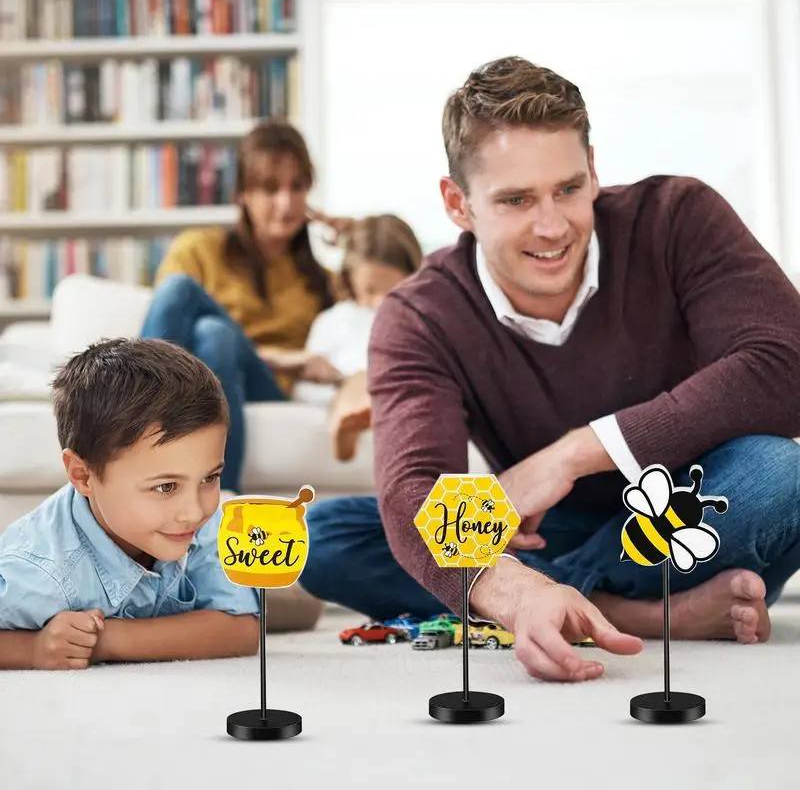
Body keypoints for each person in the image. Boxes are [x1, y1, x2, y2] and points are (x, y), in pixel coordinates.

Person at [299, 56, 800, 683]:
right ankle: (629, 609)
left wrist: (570, 455)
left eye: (568, 188)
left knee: (780, 470)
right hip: (547, 536)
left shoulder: (678, 217)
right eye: (515, 200)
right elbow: (415, 488)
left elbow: (785, 366)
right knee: (322, 534)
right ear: (458, 204)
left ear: (593, 168)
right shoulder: (420, 313)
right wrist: (510, 587)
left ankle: (588, 600)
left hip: (689, 510)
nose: (552, 226)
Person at [0, 338, 262, 670]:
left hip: (202, 573)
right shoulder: (37, 571)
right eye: (166, 486)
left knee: (282, 596)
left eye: (209, 478)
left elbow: (242, 631)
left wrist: (106, 639)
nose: (195, 511)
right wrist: (33, 648)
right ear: (83, 476)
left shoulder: (206, 519)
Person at [139, 119, 349, 496]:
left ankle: (138, 452)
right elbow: (169, 328)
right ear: (242, 194)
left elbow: (377, 322)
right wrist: (286, 357)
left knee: (218, 336)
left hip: (262, 387)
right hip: (194, 383)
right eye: (270, 188)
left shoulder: (323, 281)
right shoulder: (198, 250)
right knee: (203, 323)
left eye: (297, 187)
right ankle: (137, 422)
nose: (285, 203)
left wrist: (360, 241)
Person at [292, 214, 423, 461]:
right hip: (351, 385)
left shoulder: (422, 317)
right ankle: (348, 425)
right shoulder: (334, 320)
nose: (382, 301)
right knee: (359, 380)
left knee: (376, 376)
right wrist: (334, 382)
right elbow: (303, 389)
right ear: (350, 281)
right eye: (370, 290)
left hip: (403, 385)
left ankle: (364, 411)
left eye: (393, 289)